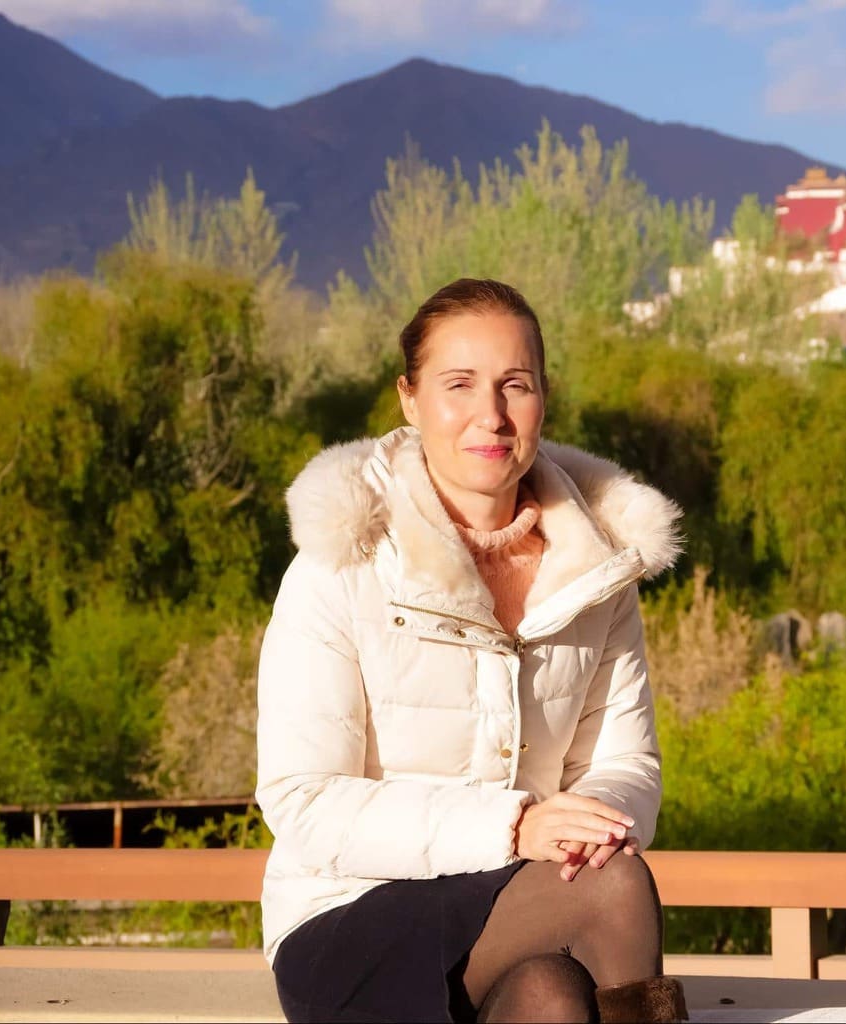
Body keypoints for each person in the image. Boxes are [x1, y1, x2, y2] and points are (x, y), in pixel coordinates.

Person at [255, 278, 688, 1023]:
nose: (490, 416)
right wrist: (515, 826)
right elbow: (304, 801)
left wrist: (588, 823)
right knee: (614, 884)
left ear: (543, 397)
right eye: (459, 384)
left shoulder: (599, 570)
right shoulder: (343, 560)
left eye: (514, 385)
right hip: (349, 915)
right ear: (409, 398)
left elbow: (624, 765)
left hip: (524, 906)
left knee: (552, 997)